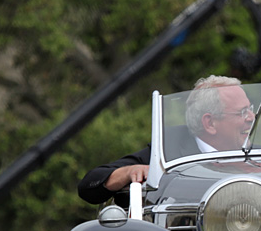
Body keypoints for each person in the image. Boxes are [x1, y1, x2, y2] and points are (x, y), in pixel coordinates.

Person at [77, 76, 249, 205]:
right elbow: (89, 187)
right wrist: (128, 172)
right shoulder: (168, 149)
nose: (252, 117)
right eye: (242, 112)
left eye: (251, 109)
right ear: (210, 123)